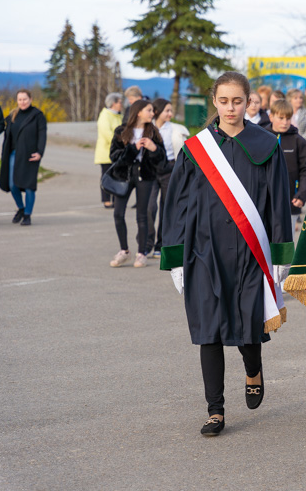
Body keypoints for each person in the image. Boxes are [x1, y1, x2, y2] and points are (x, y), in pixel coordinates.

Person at [161, 71, 293, 437]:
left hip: (251, 254)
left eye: (238, 101)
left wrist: (282, 252)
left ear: (249, 101)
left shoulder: (267, 145)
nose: (231, 108)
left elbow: (279, 202)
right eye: (224, 101)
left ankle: (253, 369)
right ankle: (215, 410)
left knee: (248, 330)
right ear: (214, 101)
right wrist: (175, 258)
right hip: (204, 252)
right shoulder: (195, 148)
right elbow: (177, 205)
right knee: (209, 331)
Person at [108, 100, 165, 267]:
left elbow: (161, 160)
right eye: (149, 110)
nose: (152, 113)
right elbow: (114, 156)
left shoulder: (153, 131)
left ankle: (141, 253)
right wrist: (132, 148)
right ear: (138, 112)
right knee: (118, 213)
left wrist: (154, 149)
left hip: (145, 177)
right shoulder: (121, 131)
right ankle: (124, 251)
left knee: (142, 215)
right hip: (124, 176)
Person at [146, 98, 189, 258]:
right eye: (167, 111)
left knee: (167, 208)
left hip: (170, 169)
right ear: (157, 111)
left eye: (171, 110)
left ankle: (161, 244)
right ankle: (147, 243)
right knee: (149, 207)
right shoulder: (147, 128)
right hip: (151, 169)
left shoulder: (177, 129)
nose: (170, 114)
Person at [0, 89, 47, 226]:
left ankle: (27, 215)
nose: (22, 102)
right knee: (13, 185)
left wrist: (39, 152)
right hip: (13, 154)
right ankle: (21, 208)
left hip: (30, 155)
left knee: (29, 186)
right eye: (20, 99)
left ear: (30, 99)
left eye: (25, 99)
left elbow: (42, 135)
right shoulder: (13, 115)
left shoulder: (37, 115)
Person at [268, 98, 306, 235]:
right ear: (271, 117)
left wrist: (302, 195)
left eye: (288, 118)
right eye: (280, 118)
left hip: (291, 202)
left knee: (286, 244)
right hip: (266, 203)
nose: (284, 122)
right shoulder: (262, 138)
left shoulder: (299, 141)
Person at [95, 92, 123, 208]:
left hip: (118, 153)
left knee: (117, 176)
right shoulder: (105, 116)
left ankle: (116, 198)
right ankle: (106, 200)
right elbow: (107, 133)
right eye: (119, 102)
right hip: (106, 153)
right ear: (113, 103)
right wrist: (121, 141)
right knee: (107, 177)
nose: (121, 104)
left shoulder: (119, 116)